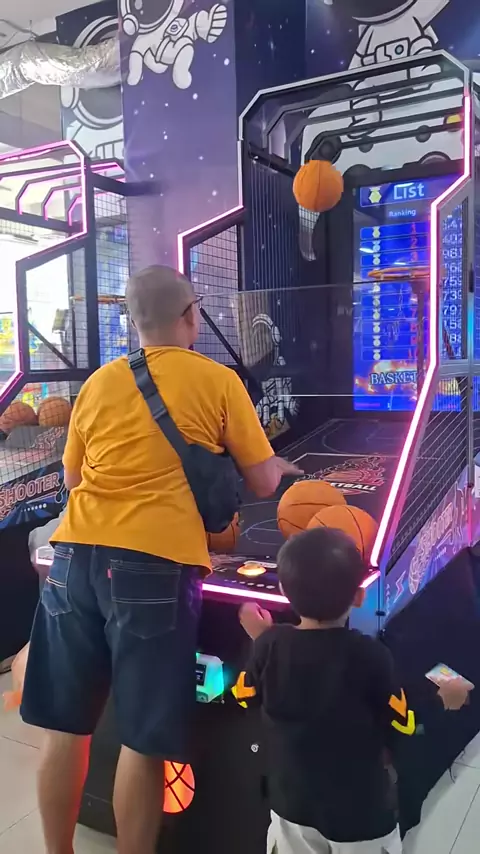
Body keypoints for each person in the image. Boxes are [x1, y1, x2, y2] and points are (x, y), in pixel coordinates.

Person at [20, 265, 301, 854]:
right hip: (153, 566)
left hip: (72, 561)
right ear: (191, 315)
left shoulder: (99, 382)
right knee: (143, 743)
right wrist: (275, 466)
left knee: (65, 731)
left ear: (133, 322)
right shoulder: (217, 379)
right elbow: (261, 481)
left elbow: (72, 479)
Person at [237, 527, 472, 854]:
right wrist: (443, 698)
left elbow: (244, 696)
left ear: (283, 591)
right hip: (359, 814)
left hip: (291, 803)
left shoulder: (269, 646)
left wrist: (263, 639)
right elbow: (403, 722)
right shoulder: (369, 655)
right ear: (360, 596)